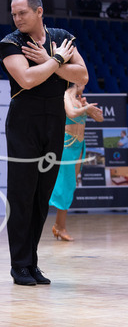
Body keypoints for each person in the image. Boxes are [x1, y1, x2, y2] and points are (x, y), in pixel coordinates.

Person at [0, 0, 89, 286]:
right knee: (21, 195)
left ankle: (32, 262)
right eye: (13, 13)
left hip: (54, 122)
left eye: (22, 12)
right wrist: (59, 60)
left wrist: (50, 60)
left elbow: (82, 76)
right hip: (24, 122)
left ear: (39, 11)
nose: (16, 18)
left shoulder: (62, 36)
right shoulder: (11, 43)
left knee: (41, 195)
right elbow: (27, 79)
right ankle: (19, 265)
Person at [49, 83, 103, 241]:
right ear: (76, 81)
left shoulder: (80, 101)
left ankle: (59, 226)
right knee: (64, 185)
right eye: (83, 82)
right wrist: (85, 109)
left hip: (79, 145)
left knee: (70, 185)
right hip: (67, 144)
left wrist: (89, 108)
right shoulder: (65, 96)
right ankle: (59, 227)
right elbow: (71, 113)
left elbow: (100, 118)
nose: (84, 86)